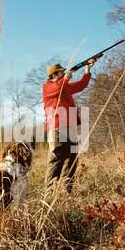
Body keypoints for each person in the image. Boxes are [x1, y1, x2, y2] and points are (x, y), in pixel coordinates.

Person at [42, 59, 96, 194]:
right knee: (56, 159)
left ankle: (67, 190)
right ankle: (50, 191)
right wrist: (65, 79)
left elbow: (81, 85)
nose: (64, 73)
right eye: (61, 72)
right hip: (57, 128)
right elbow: (57, 88)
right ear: (54, 75)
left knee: (72, 158)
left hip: (71, 126)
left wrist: (87, 70)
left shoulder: (64, 86)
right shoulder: (47, 87)